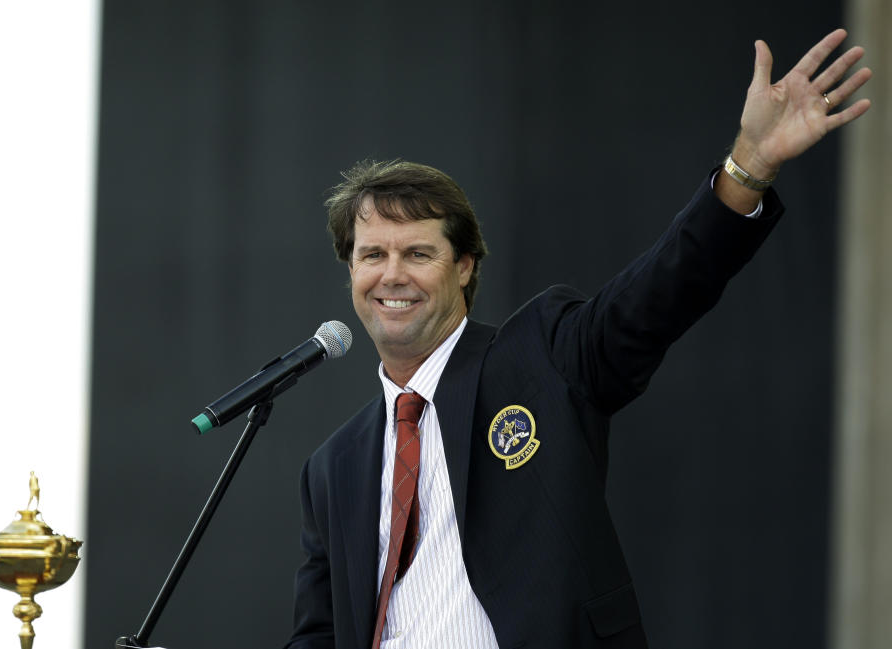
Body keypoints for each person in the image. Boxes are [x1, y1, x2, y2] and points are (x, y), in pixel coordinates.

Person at [286, 29, 871, 649]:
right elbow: (317, 637)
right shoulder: (333, 466)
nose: (392, 274)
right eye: (372, 253)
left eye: (418, 252)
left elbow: (660, 294)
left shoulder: (541, 358)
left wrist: (749, 165)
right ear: (350, 271)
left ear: (464, 266)